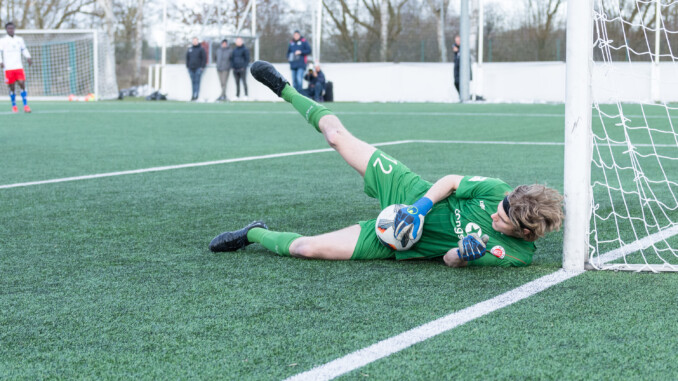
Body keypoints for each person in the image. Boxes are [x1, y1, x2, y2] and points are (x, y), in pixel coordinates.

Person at [208, 61, 565, 268]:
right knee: (336, 137)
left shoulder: (515, 254)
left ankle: (253, 232)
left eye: (502, 220)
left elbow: (449, 261)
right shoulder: (497, 191)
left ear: (526, 233)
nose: (495, 215)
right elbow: (452, 181)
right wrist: (421, 207)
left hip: (397, 240)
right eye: (500, 208)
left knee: (307, 249)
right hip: (410, 192)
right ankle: (286, 89)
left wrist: (467, 255)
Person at [0, 22, 32, 113]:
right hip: (8, 67)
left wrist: (28, 57)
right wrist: (0, 61)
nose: (11, 30)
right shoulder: (3, 40)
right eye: (9, 28)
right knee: (12, 87)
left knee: (22, 83)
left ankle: (25, 105)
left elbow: (24, 49)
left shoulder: (19, 39)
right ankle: (14, 106)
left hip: (18, 66)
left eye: (12, 28)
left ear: (14, 29)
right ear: (6, 30)